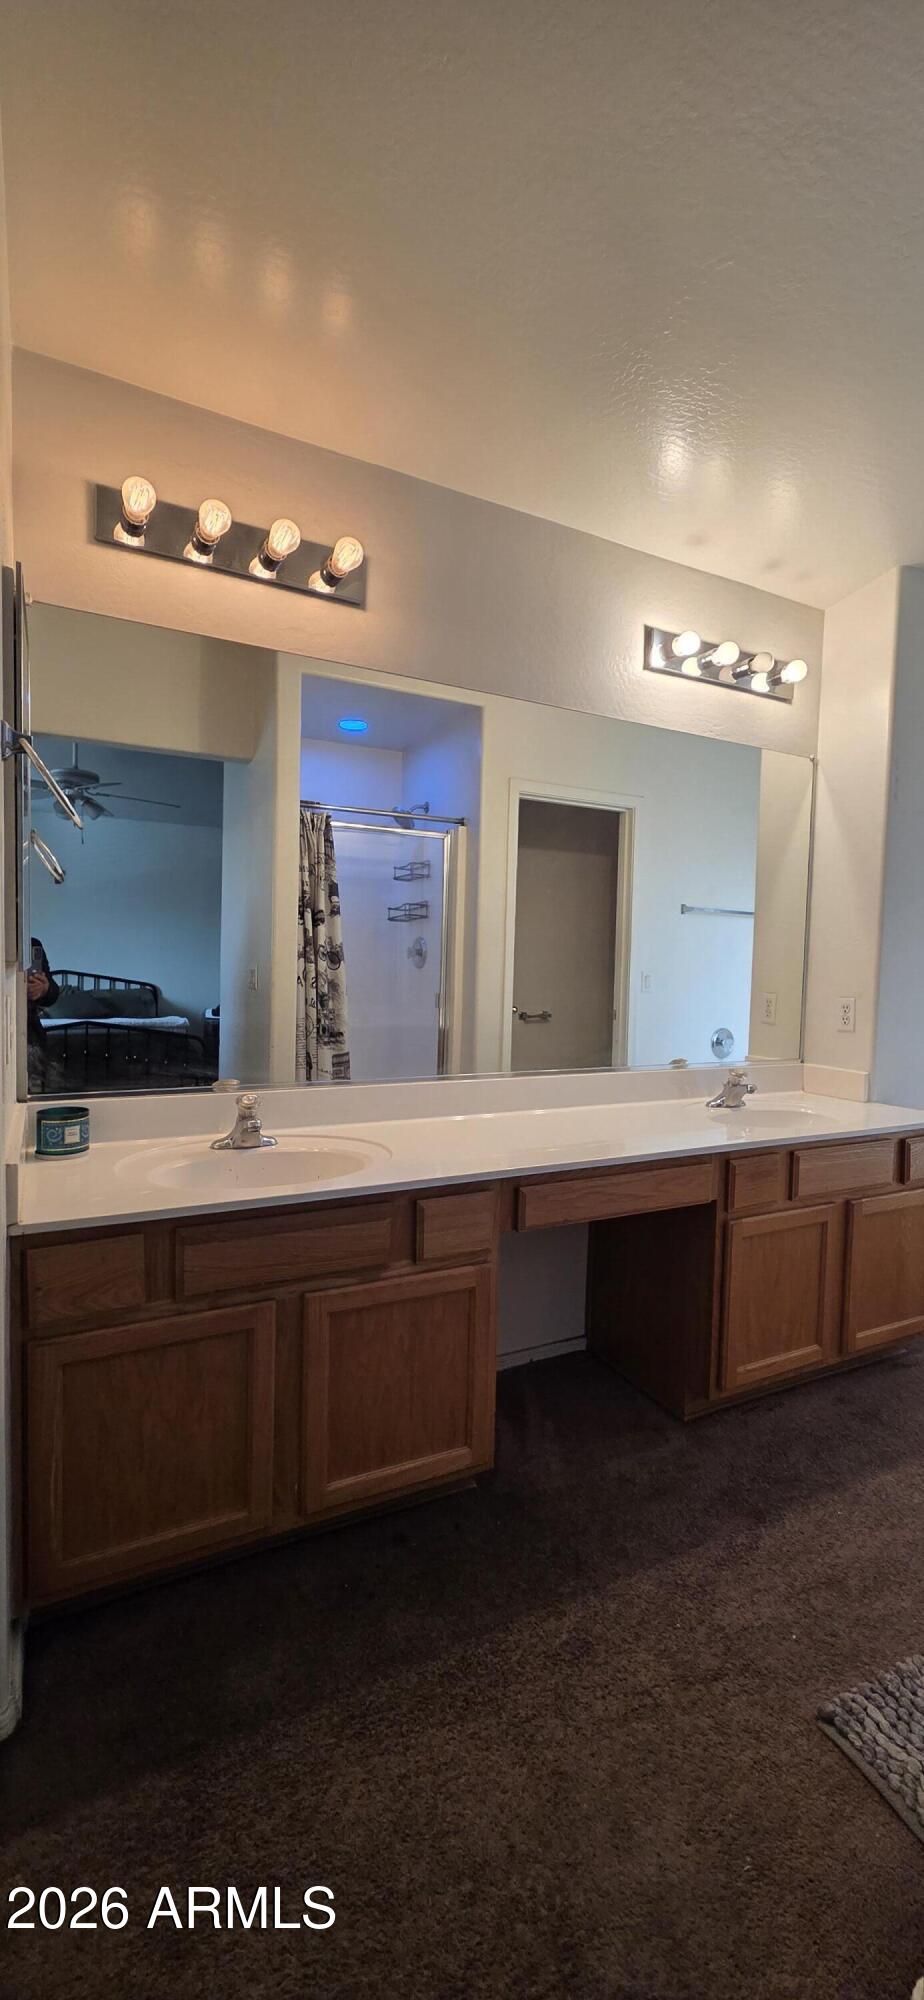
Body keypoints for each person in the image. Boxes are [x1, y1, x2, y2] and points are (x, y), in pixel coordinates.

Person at [26, 937, 60, 1092]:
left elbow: (52, 991)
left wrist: (44, 989)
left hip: (28, 1031)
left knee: (33, 1089)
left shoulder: (31, 945)